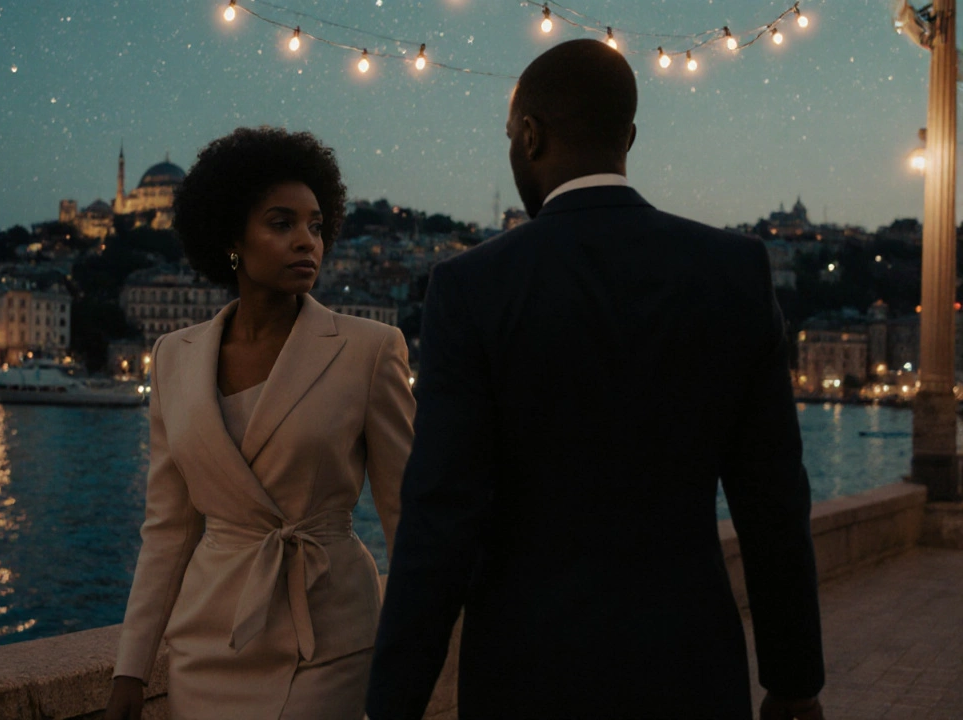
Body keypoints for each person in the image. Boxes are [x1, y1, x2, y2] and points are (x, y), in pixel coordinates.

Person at [366, 39, 825, 720]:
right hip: (690, 667)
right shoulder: (735, 269)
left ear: (529, 134)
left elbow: (441, 518)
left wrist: (393, 702)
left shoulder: (471, 287)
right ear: (628, 136)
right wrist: (793, 683)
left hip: (527, 672)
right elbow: (773, 500)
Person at [102, 126, 415, 720]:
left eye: (317, 226)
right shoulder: (173, 357)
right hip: (208, 644)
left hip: (330, 638)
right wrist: (130, 669)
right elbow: (168, 531)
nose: (308, 243)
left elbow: (408, 518)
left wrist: (414, 653)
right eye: (282, 223)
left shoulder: (371, 350)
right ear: (231, 239)